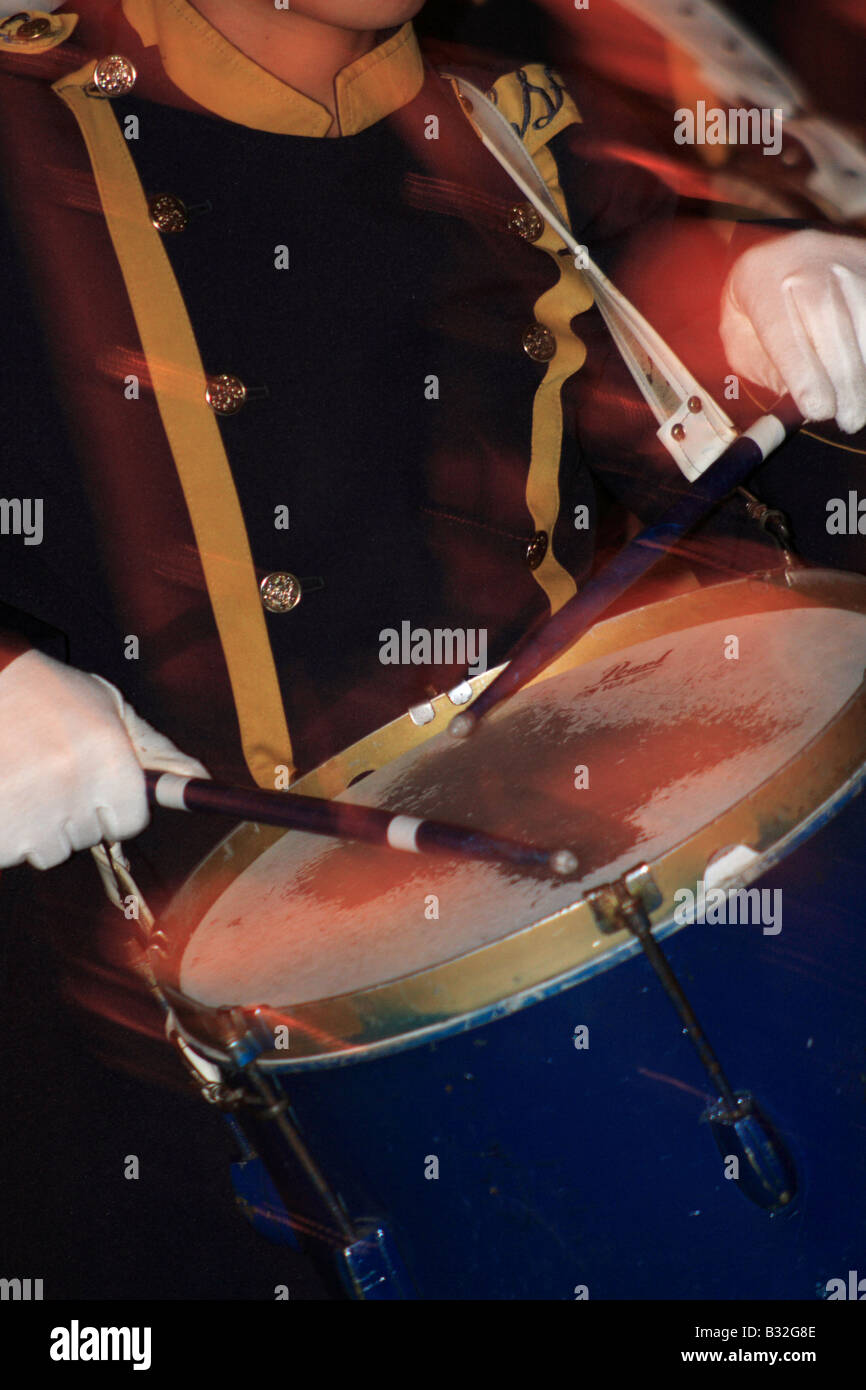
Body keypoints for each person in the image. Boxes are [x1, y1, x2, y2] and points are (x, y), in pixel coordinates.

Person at [0, 0, 864, 1295]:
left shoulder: (504, 93)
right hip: (149, 1030)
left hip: (564, 924)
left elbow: (659, 321)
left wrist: (747, 276)